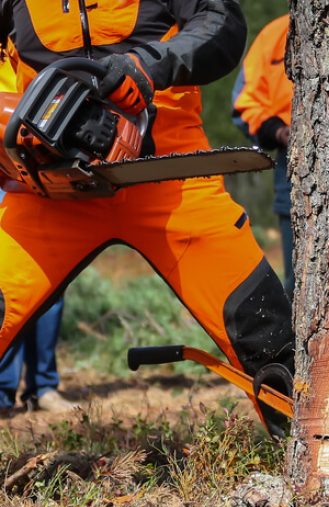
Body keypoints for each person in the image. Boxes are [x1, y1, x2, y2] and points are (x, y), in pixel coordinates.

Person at [0, 1, 293, 436]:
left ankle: (327, 453)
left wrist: (147, 66)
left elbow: (222, 23)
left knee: (261, 327)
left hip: (168, 171)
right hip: (51, 186)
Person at [0, 57, 71, 416]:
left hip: (41, 156)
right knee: (6, 284)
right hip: (3, 161)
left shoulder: (28, 23)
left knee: (51, 282)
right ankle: (2, 389)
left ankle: (43, 385)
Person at [232, 14, 294, 297]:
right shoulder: (275, 35)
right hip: (295, 164)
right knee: (301, 283)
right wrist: (279, 131)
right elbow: (245, 102)